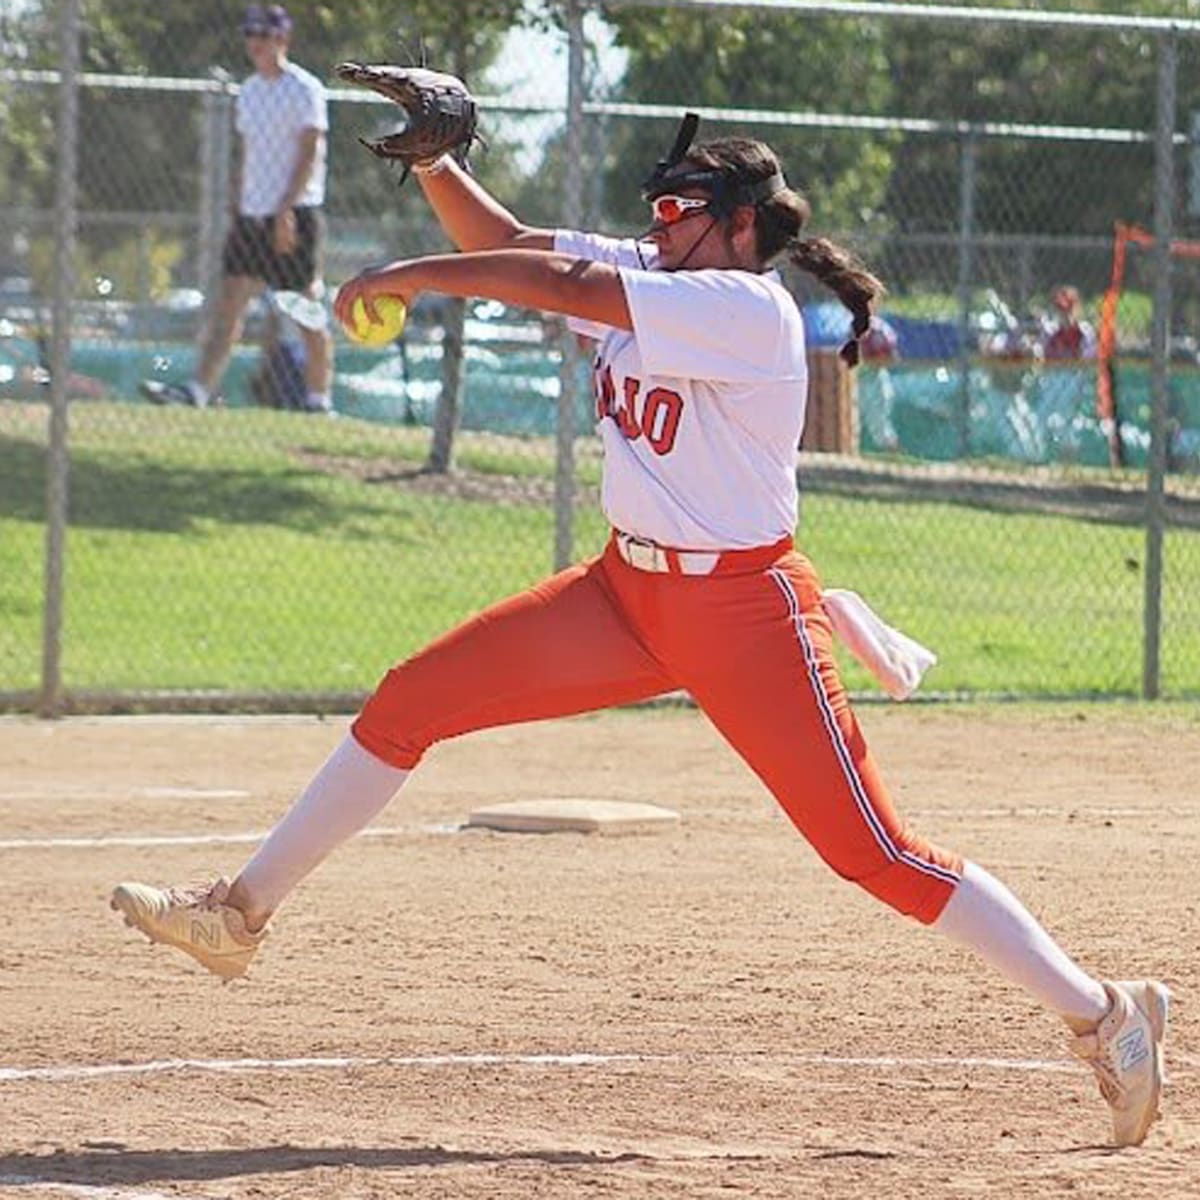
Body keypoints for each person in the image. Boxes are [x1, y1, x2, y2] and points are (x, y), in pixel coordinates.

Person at [112, 113, 1168, 1148]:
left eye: (681, 210)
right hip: (625, 597)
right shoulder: (665, 273)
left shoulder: (743, 307)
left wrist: (408, 274)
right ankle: (236, 915)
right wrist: (439, 161)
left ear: (743, 225)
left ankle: (1103, 1014)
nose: (658, 226)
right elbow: (520, 249)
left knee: (875, 853)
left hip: (746, 615)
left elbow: (561, 287)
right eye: (656, 209)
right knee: (409, 701)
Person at [140, 4, 333, 414]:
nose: (255, 43)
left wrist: (285, 211)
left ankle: (319, 399)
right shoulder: (249, 91)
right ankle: (198, 391)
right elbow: (250, 153)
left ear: (283, 39)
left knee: (304, 307)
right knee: (229, 304)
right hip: (251, 215)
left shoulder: (305, 90)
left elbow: (308, 153)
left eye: (263, 35)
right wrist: (238, 198)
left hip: (294, 214)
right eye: (250, 34)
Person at [1042, 285, 1096, 361]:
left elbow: (1088, 356)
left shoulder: (1086, 330)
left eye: (1070, 306)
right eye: (1060, 308)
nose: (1066, 312)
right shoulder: (1050, 330)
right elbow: (1046, 356)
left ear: (1077, 307)